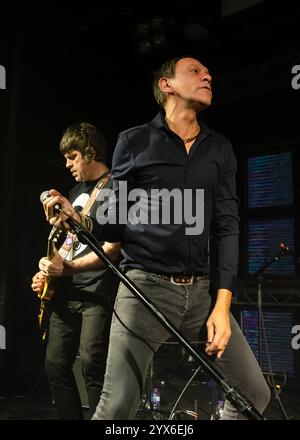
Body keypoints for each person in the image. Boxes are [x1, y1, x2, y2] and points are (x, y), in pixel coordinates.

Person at [42, 57, 271, 420]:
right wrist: (79, 219)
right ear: (166, 85)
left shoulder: (220, 149)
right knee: (116, 408)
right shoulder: (134, 142)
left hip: (201, 295)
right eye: (195, 71)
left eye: (207, 72)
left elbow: (228, 226)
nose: (208, 75)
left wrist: (223, 306)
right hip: (144, 290)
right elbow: (114, 227)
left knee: (254, 393)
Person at [31, 122, 120, 419]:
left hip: (97, 292)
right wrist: (48, 270)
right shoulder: (74, 190)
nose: (67, 164)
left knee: (93, 366)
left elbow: (112, 248)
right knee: (55, 364)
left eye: (72, 157)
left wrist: (66, 269)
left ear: (90, 152)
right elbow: (69, 242)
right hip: (66, 292)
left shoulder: (115, 189)